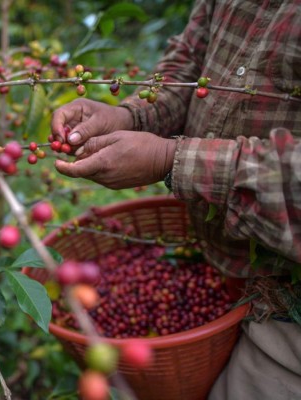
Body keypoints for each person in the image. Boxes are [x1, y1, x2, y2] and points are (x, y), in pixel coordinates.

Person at [51, 0, 301, 398]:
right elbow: (189, 64)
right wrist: (133, 116)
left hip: (288, 311)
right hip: (215, 255)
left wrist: (170, 159)